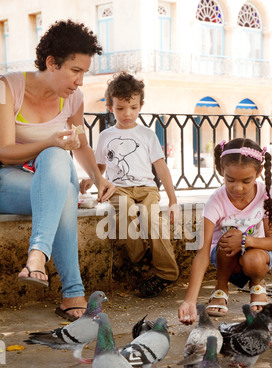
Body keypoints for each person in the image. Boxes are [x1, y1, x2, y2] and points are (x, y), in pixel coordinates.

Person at [0, 20, 115, 321]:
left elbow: (80, 144)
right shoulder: (8, 88)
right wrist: (49, 142)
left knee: (58, 165)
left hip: (46, 181)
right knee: (61, 180)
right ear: (51, 63)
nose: (80, 81)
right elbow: (4, 150)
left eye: (84, 73)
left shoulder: (73, 99)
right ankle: (72, 292)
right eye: (75, 71)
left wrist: (100, 177)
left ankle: (37, 257)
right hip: (7, 180)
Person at [80, 72, 179, 297]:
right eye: (121, 108)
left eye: (133, 107)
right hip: (118, 188)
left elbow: (161, 167)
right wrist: (91, 178)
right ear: (110, 106)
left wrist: (173, 200)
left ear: (140, 106)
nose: (128, 114)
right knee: (125, 209)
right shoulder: (106, 135)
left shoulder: (147, 134)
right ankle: (140, 260)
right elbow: (102, 166)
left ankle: (166, 272)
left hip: (147, 189)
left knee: (151, 217)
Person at [178, 138, 272, 325]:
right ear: (221, 172)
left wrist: (245, 240)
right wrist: (189, 300)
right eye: (230, 180)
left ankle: (257, 284)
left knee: (252, 257)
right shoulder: (216, 201)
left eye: (246, 181)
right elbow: (203, 252)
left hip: (256, 256)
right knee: (228, 238)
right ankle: (221, 287)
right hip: (225, 258)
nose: (237, 188)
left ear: (259, 172)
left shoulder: (265, 194)